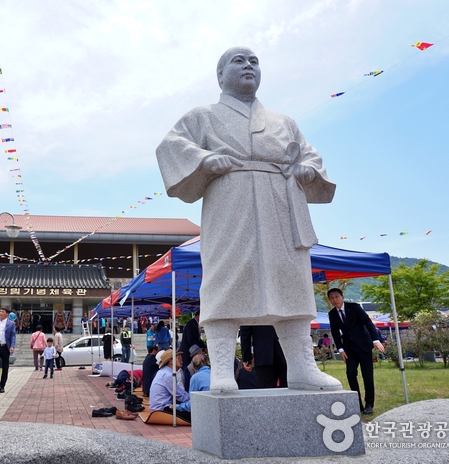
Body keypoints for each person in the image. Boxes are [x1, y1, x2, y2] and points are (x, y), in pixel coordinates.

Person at [156, 46, 341, 392]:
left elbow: (313, 158)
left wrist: (306, 169)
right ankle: (223, 369)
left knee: (292, 284)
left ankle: (302, 367)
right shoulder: (203, 116)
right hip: (230, 203)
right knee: (226, 279)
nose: (248, 66)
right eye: (238, 61)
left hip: (282, 205)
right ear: (220, 75)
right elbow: (170, 146)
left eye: (254, 61)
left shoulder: (284, 122)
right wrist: (205, 160)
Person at [327, 288, 385, 414]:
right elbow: (335, 333)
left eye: (337, 297)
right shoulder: (332, 314)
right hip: (349, 348)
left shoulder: (354, 307)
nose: (334, 300)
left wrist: (375, 340)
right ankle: (357, 404)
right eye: (331, 298)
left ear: (342, 297)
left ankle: (369, 404)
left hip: (364, 345)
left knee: (367, 375)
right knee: (351, 373)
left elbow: (368, 323)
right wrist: (340, 349)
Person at [149, 350, 191, 423]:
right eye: (178, 359)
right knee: (193, 415)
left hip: (160, 407)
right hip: (161, 410)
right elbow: (179, 394)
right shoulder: (167, 375)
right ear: (170, 361)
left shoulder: (164, 372)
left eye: (181, 358)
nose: (182, 361)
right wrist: (194, 401)